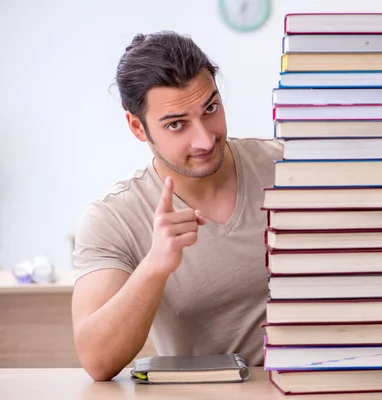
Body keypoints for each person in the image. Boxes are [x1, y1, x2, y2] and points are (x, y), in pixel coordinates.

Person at [71, 31, 282, 381]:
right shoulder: (114, 217)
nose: (204, 139)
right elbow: (97, 360)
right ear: (137, 127)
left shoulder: (290, 169)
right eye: (176, 124)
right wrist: (155, 266)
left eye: (210, 109)